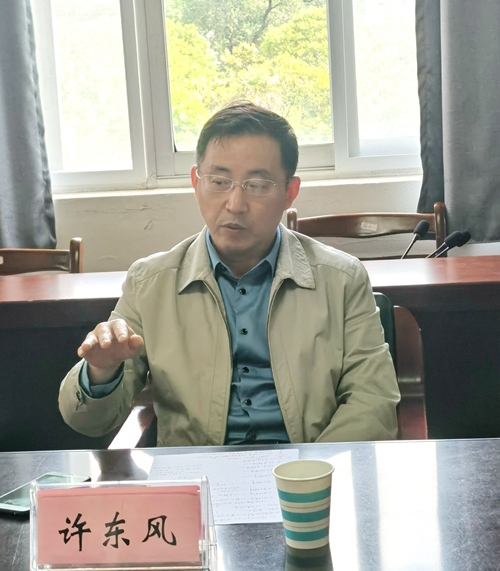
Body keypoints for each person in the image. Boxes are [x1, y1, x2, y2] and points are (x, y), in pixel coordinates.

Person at [59, 101, 400, 446]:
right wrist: (101, 372)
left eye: (257, 185)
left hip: (309, 471)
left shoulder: (342, 279)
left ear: (289, 192)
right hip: (195, 475)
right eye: (219, 181)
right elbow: (89, 422)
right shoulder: (150, 282)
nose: (235, 204)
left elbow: (373, 403)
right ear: (196, 182)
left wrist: (310, 471)